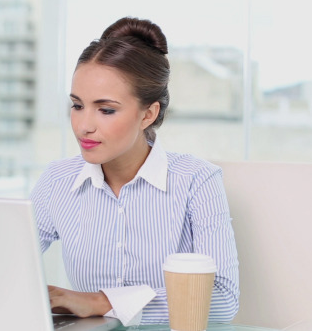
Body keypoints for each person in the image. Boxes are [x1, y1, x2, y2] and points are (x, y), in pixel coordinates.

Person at [30, 16, 239, 326]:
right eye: (77, 105)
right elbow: (4, 266)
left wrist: (100, 302)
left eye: (106, 109)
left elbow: (222, 301)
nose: (84, 125)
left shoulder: (197, 181)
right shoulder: (57, 181)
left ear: (148, 114)